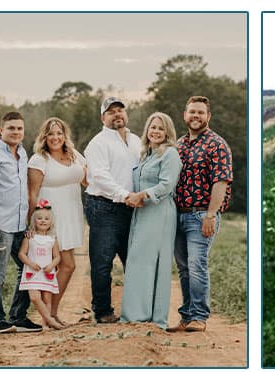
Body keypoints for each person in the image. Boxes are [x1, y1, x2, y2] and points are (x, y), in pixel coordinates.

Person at [167, 96, 233, 333]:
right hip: (178, 215)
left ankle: (199, 316)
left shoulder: (217, 144)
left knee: (197, 265)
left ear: (208, 117)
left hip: (201, 215)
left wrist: (211, 215)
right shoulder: (180, 144)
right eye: (192, 112)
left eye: (200, 113)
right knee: (183, 267)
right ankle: (186, 316)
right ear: (185, 115)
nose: (196, 116)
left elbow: (221, 182)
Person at [0, 111, 42, 335]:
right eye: (11, 128)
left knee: (27, 267)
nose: (16, 132)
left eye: (19, 128)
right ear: (1, 130)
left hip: (19, 224)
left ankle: (18, 317)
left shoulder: (22, 153)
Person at [120, 112, 182, 329]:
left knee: (149, 262)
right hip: (142, 212)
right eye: (152, 127)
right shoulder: (146, 154)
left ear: (167, 132)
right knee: (138, 260)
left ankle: (150, 318)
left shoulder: (170, 154)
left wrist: (143, 195)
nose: (155, 131)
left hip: (159, 212)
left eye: (160, 128)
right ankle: (136, 315)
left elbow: (166, 185)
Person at [83, 97, 141, 323]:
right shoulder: (97, 143)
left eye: (120, 110)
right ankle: (103, 310)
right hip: (104, 206)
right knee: (103, 261)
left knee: (134, 259)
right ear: (102, 118)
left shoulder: (136, 140)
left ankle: (136, 309)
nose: (117, 114)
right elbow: (100, 176)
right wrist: (124, 195)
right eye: (111, 112)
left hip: (133, 207)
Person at [28, 117, 87, 326]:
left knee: (65, 265)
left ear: (64, 135)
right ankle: (50, 315)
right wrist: (31, 226)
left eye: (59, 133)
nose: (55, 137)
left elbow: (88, 179)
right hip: (50, 216)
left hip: (72, 213)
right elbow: (32, 194)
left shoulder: (74, 154)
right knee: (66, 265)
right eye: (51, 133)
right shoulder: (39, 159)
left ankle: (51, 314)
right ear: (44, 137)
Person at [18, 200, 64, 330]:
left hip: (47, 272)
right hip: (32, 273)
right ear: (34, 221)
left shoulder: (52, 239)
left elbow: (57, 257)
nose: (43, 221)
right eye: (39, 218)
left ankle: (45, 324)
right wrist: (31, 263)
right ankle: (51, 320)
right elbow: (22, 254)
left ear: (51, 222)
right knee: (34, 297)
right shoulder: (29, 237)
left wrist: (51, 266)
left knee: (47, 298)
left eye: (46, 218)